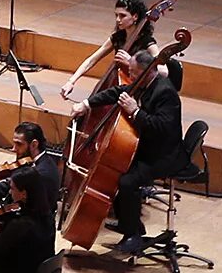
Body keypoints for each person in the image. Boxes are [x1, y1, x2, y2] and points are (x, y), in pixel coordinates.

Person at [70, 48, 183, 254]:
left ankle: (134, 235)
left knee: (126, 181)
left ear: (148, 71)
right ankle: (128, 223)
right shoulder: (142, 84)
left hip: (164, 155)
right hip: (148, 148)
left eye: (133, 72)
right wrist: (86, 104)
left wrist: (135, 111)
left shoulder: (165, 92)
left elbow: (161, 128)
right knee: (117, 170)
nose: (129, 76)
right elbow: (117, 93)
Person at [60, 0, 159, 99]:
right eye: (116, 15)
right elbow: (91, 60)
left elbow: (162, 71)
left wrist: (131, 62)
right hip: (115, 85)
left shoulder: (147, 42)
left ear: (135, 16)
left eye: (122, 16)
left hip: (135, 91)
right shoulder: (118, 37)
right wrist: (71, 82)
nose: (117, 20)